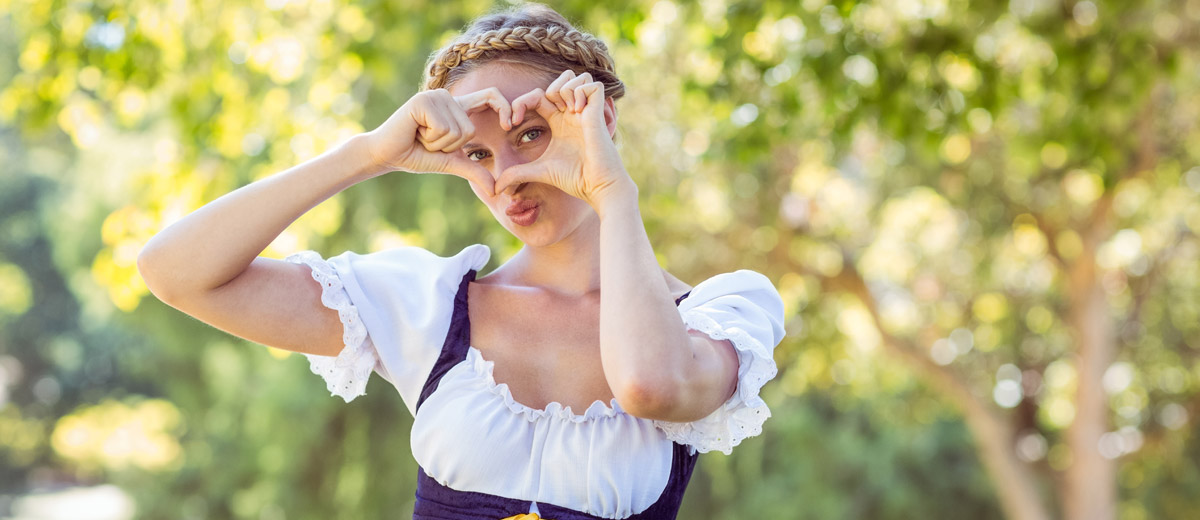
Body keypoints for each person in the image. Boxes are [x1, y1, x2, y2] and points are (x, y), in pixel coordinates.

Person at [137, 4, 785, 519]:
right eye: (478, 154)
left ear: (601, 124)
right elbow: (174, 273)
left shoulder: (720, 314)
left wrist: (612, 192)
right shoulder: (426, 304)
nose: (505, 177)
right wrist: (369, 154)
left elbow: (650, 387)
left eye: (531, 135)